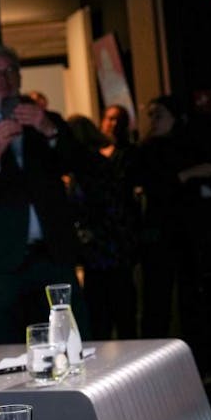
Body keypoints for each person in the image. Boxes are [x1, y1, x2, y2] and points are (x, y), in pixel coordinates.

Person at [0, 44, 90, 347]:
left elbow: (81, 165)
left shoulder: (46, 121)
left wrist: (48, 129)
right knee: (8, 349)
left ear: (19, 77)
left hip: (53, 254)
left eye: (8, 71)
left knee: (72, 343)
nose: (2, 79)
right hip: (1, 262)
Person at [135, 95, 211, 371]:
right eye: (152, 115)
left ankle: (200, 360)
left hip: (187, 230)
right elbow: (157, 186)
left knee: (192, 295)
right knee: (158, 298)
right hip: (161, 231)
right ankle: (151, 362)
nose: (154, 121)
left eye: (160, 115)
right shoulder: (148, 149)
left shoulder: (187, 145)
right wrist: (187, 175)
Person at [65, 115, 138, 340]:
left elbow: (91, 207)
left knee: (101, 317)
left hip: (101, 251)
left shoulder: (86, 169)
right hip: (115, 249)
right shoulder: (101, 164)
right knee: (122, 315)